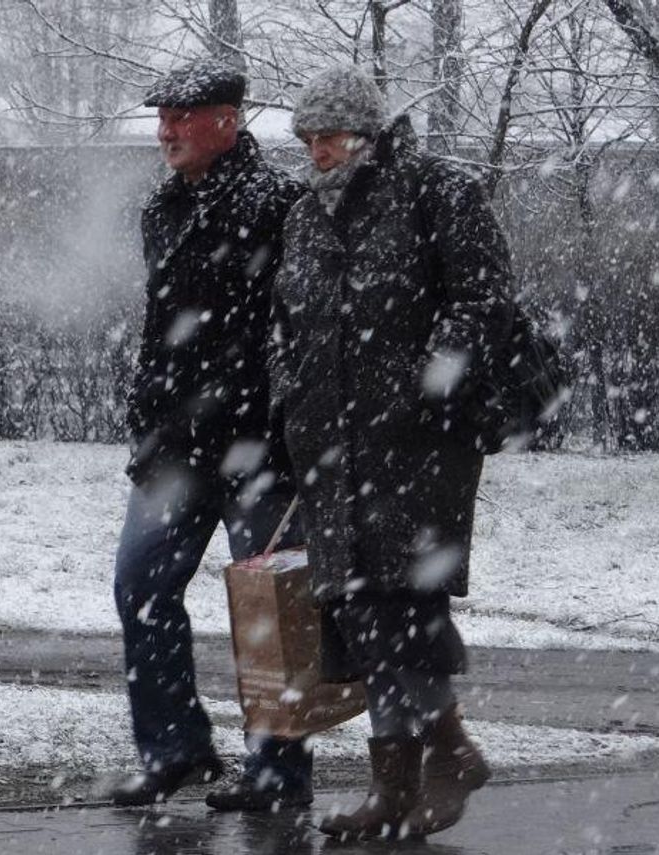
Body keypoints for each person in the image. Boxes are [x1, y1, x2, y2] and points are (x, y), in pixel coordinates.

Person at [268, 64, 511, 840]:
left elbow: (483, 297)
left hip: (418, 443)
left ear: (367, 134)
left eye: (328, 136)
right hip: (332, 441)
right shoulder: (307, 214)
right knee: (362, 608)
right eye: (306, 137)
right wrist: (288, 388)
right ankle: (398, 782)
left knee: (401, 603)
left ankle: (448, 754)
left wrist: (429, 382)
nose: (315, 150)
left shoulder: (436, 193)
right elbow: (285, 318)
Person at [109, 58, 312, 811]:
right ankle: (175, 751)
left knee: (267, 611)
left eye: (183, 115)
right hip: (173, 445)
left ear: (227, 118)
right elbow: (163, 330)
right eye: (162, 115)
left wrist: (292, 426)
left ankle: (278, 772)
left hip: (259, 444)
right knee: (141, 586)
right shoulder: (161, 208)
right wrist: (148, 412)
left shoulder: (279, 205)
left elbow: (300, 326)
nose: (166, 129)